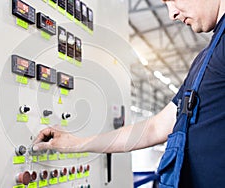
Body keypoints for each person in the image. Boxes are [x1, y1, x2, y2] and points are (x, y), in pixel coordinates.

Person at [33, 0, 225, 187]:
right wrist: (77, 143)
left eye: (172, 0)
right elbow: (154, 128)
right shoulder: (204, 61)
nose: (171, 14)